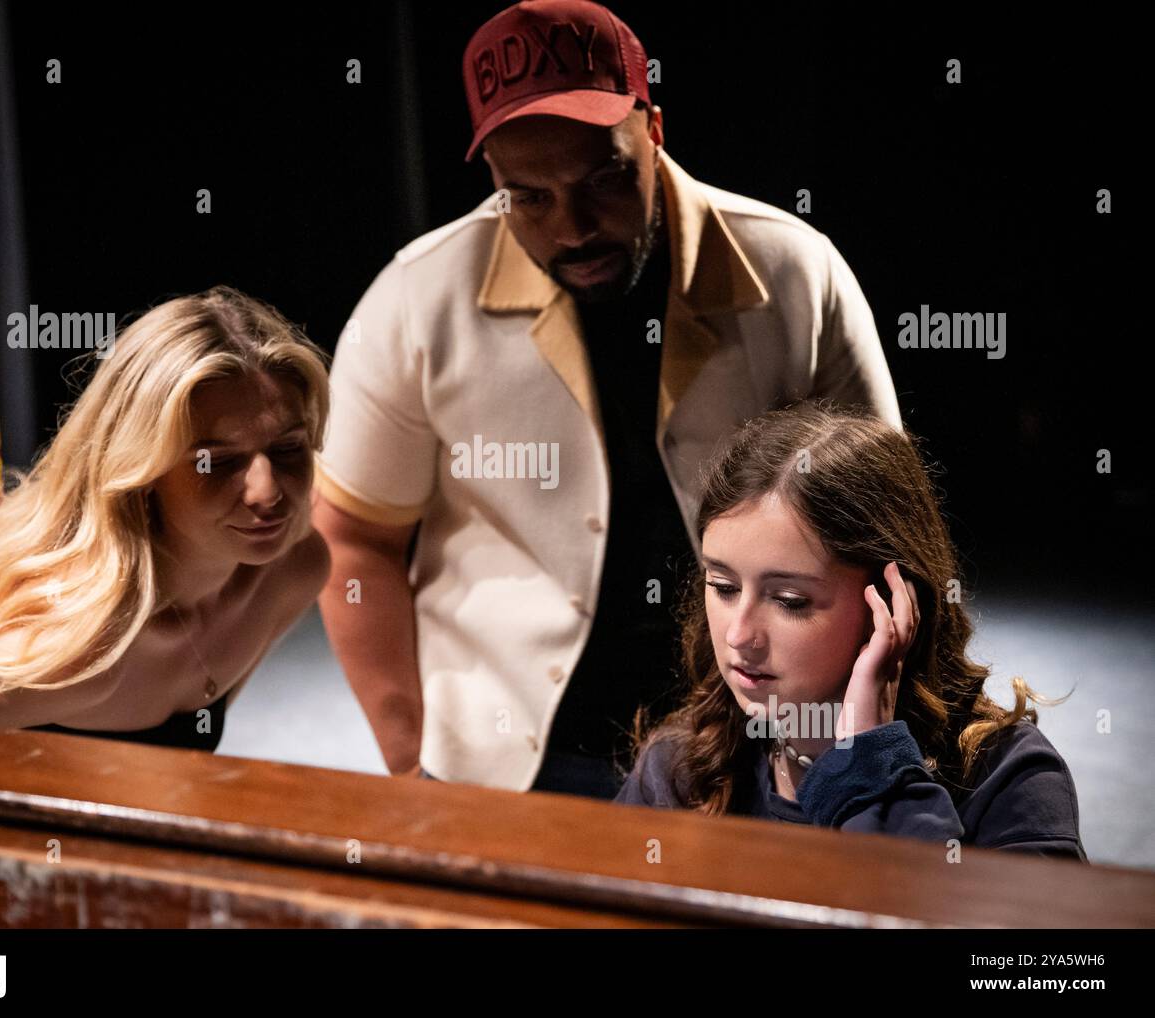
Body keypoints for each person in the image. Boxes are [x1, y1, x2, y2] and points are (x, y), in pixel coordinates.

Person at [312, 0, 901, 797]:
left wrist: (859, 734)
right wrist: (409, 763)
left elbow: (882, 529)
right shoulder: (418, 300)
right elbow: (352, 540)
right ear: (492, 179)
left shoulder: (798, 273)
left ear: (653, 129)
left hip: (761, 740)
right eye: (531, 197)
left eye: (606, 179)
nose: (574, 227)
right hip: (509, 756)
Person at [0, 286, 331, 752]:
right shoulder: (78, 648)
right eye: (218, 461)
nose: (267, 491)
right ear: (142, 471)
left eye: (287, 448)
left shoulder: (292, 572)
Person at [614, 402, 1087, 860]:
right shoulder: (682, 763)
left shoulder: (1008, 778)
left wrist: (870, 763)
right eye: (723, 586)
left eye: (789, 600)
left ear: (891, 603)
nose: (739, 635)